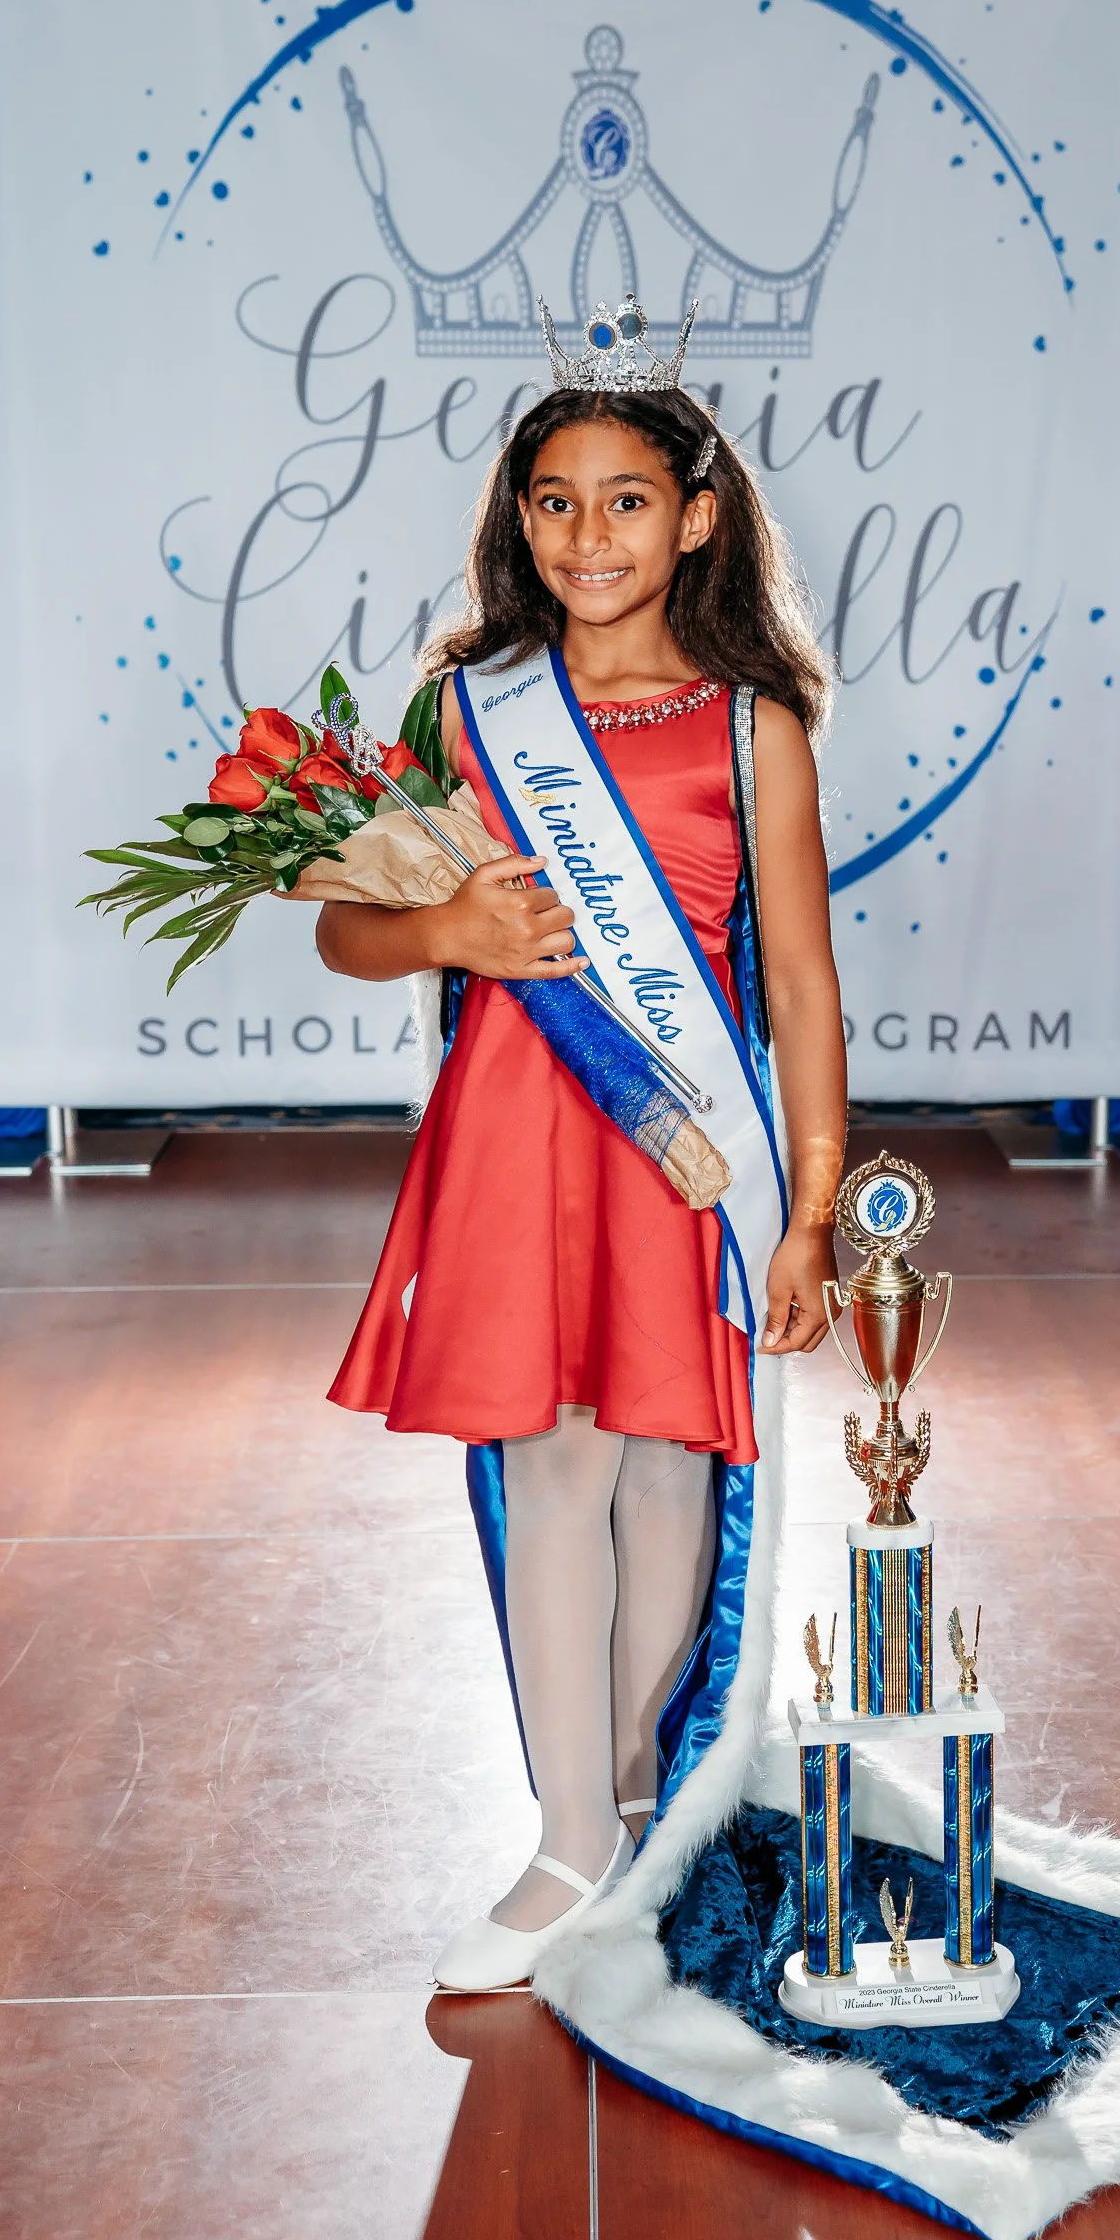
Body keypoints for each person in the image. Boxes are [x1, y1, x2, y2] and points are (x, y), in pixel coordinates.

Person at [319, 306, 846, 1991]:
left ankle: (639, 1789)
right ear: (516, 517)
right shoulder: (469, 707)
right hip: (516, 1132)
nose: (586, 536)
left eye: (624, 500)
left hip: (685, 1143)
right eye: (554, 502)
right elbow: (349, 935)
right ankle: (565, 1841)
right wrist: (452, 929)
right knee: (550, 1467)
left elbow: (807, 983)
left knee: (670, 1467)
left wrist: (814, 1212)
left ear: (695, 514)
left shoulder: (751, 724)